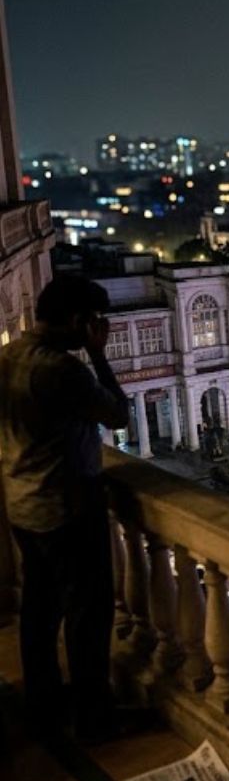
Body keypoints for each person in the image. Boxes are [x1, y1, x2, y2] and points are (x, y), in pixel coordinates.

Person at [0, 274, 129, 742]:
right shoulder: (61, 369)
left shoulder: (8, 355)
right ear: (77, 320)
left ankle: (45, 700)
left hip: (22, 505)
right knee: (87, 616)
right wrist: (98, 354)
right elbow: (117, 413)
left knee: (38, 609)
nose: (98, 328)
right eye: (94, 321)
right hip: (67, 508)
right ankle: (95, 716)